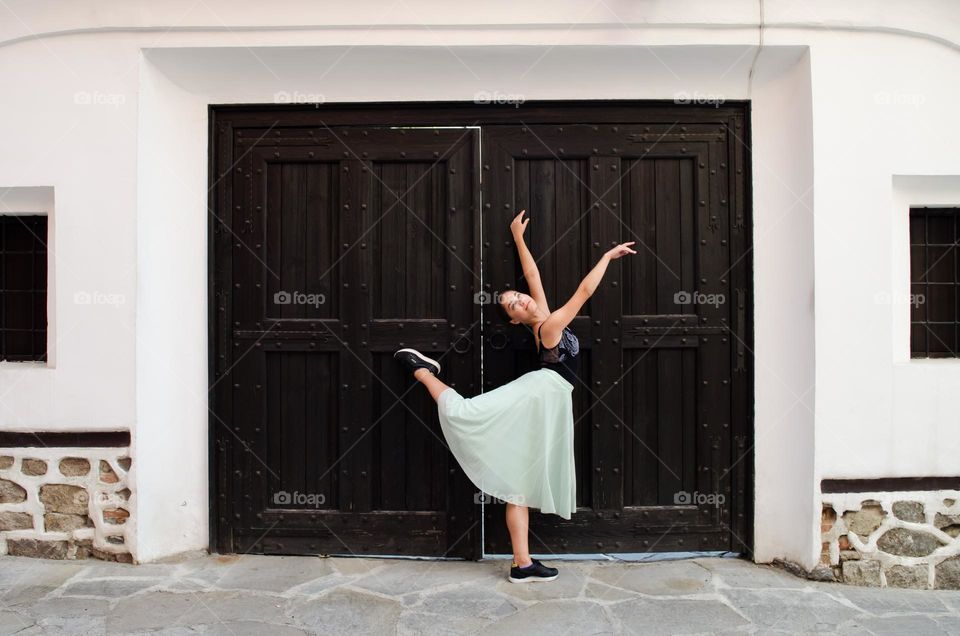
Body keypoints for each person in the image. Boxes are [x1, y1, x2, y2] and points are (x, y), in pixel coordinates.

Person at [394, 210, 636, 582]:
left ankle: (521, 564)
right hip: (539, 395)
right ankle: (422, 370)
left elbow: (533, 276)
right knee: (467, 412)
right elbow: (585, 292)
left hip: (546, 402)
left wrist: (518, 238)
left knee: (518, 484)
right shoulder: (551, 326)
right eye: (513, 305)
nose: (521, 301)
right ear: (513, 320)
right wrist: (606, 257)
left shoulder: (542, 315)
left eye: (519, 297)